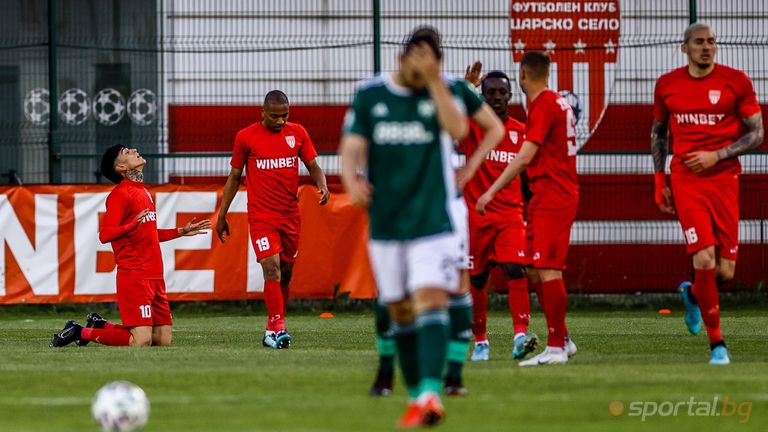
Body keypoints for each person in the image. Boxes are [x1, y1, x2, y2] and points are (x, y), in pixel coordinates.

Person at [341, 26, 503, 427]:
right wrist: (353, 179)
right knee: (398, 307)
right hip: (387, 221)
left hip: (436, 219)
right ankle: (414, 392)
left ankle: (436, 389)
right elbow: (351, 146)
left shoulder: (444, 91)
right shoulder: (371, 94)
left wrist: (435, 82)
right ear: (402, 59)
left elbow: (463, 130)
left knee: (434, 297)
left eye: (431, 66)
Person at [651, 23, 763, 365]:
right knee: (704, 259)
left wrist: (719, 155)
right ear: (684, 48)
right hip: (686, 181)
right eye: (699, 42)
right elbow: (659, 133)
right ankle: (718, 345)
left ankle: (694, 295)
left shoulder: (736, 81)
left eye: (711, 42)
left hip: (725, 180)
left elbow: (757, 132)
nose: (707, 47)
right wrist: (660, 179)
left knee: (725, 272)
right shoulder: (667, 85)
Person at [50, 145, 211, 348]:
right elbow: (105, 234)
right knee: (141, 341)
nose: (134, 150)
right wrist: (132, 223)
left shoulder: (143, 192)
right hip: (135, 276)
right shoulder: (120, 195)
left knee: (162, 340)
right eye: (126, 152)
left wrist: (180, 231)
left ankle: (100, 325)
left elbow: (148, 234)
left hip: (155, 275)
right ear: (121, 168)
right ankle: (80, 331)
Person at [477, 50, 579, 366]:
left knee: (548, 269)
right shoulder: (555, 102)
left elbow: (524, 157)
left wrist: (489, 192)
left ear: (522, 76)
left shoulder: (545, 104)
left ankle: (556, 346)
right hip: (542, 196)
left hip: (553, 196)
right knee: (534, 269)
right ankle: (562, 337)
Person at [216, 90, 330, 350]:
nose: (280, 121)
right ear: (262, 113)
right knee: (272, 269)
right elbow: (234, 177)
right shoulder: (245, 137)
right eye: (275, 116)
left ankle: (274, 326)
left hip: (291, 215)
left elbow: (313, 165)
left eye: (285, 115)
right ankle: (278, 327)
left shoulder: (298, 133)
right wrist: (222, 215)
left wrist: (322, 185)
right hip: (261, 216)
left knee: (286, 275)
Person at [461, 63, 538, 362]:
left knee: (514, 268)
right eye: (489, 92)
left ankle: (520, 335)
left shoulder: (522, 131)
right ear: (482, 95)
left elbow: (528, 178)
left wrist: (531, 209)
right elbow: (449, 113)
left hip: (510, 215)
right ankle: (481, 341)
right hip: (475, 216)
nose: (496, 97)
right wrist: (466, 88)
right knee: (478, 280)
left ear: (510, 96)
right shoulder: (472, 127)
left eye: (501, 92)